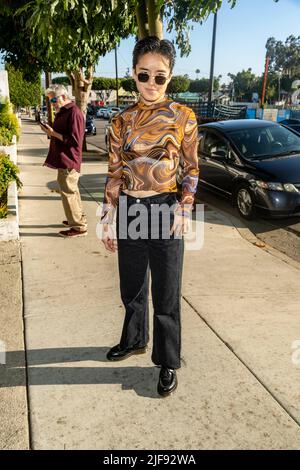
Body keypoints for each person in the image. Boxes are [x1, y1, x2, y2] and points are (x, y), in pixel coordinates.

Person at [100, 36, 199, 397]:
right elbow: (114, 172)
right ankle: (134, 339)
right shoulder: (120, 121)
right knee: (132, 286)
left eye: (160, 77)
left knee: (167, 289)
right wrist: (108, 217)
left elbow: (190, 168)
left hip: (166, 210)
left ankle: (168, 360)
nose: (152, 84)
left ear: (170, 77)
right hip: (129, 207)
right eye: (145, 76)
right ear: (133, 74)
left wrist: (186, 207)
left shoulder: (183, 117)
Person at [40, 84, 87, 238]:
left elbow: (75, 142)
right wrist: (52, 133)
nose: (52, 103)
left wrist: (54, 133)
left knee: (69, 193)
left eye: (54, 99)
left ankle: (78, 227)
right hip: (64, 159)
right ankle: (77, 219)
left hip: (69, 160)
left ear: (64, 96)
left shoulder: (74, 113)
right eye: (50, 100)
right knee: (72, 192)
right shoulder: (64, 111)